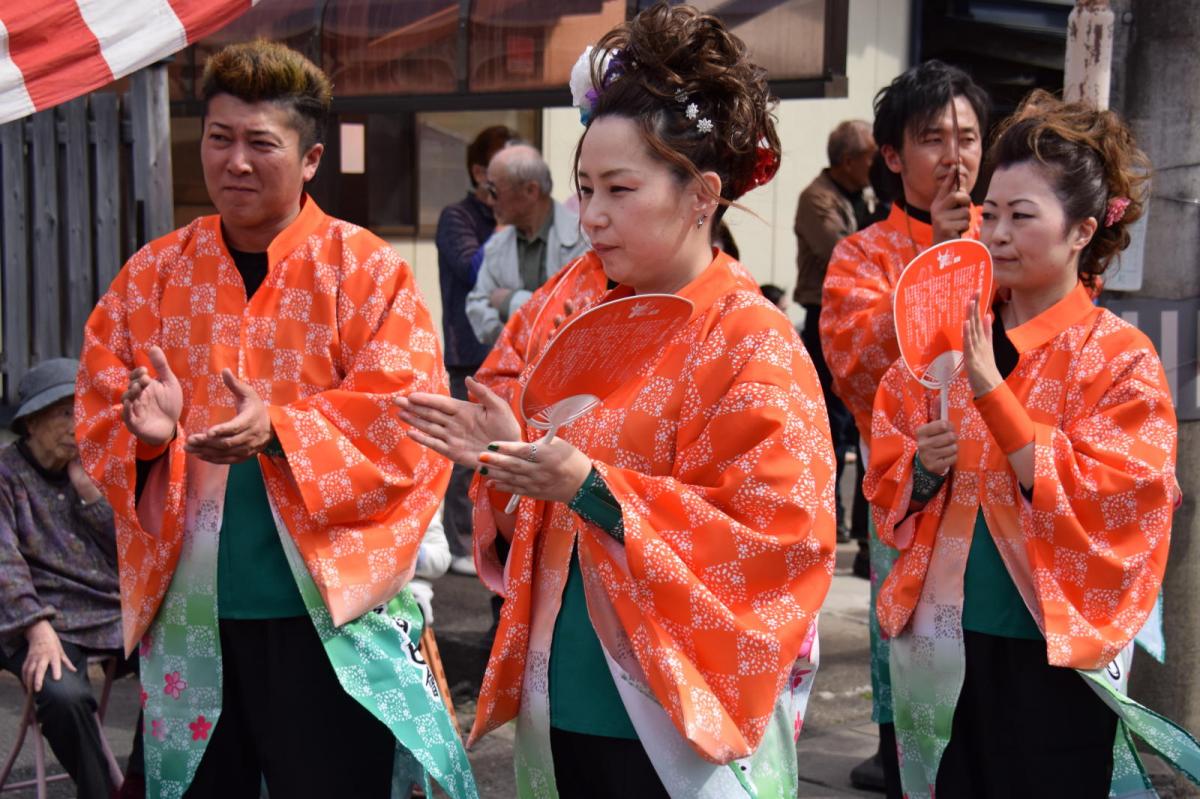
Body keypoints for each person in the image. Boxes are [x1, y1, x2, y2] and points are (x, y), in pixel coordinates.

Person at [397, 4, 836, 796]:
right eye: (586, 188)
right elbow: (532, 455)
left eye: (620, 189)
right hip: (564, 670)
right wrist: (504, 455)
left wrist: (592, 487)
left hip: (676, 699)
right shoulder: (573, 301)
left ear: (702, 194)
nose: (592, 214)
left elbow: (776, 538)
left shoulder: (753, 339)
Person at [74, 41, 472, 799]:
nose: (236, 162)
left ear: (311, 156)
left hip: (329, 620)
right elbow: (99, 407)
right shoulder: (152, 275)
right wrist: (148, 442)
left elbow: (408, 422)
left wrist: (283, 431)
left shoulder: (366, 271)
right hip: (194, 616)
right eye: (219, 139)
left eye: (262, 143)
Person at [866, 89, 1193, 798]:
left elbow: (1122, 499)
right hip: (938, 637)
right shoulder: (946, 338)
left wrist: (993, 394)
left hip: (1052, 651)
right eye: (991, 214)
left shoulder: (1120, 357)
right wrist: (922, 469)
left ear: (1081, 231)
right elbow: (889, 465)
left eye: (1022, 215)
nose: (997, 233)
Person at [818, 60, 989, 797]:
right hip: (912, 488)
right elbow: (856, 362)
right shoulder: (861, 255)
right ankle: (898, 761)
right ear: (892, 156)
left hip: (1001, 493)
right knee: (909, 646)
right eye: (933, 139)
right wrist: (934, 262)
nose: (956, 157)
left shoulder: (1012, 238)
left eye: (970, 138)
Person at [0, 359, 143, 799]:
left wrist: (89, 493)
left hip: (106, 610)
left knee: (179, 668)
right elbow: (3, 563)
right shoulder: (6, 476)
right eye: (64, 413)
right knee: (63, 697)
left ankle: (140, 785)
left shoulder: (94, 467)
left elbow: (130, 554)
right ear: (31, 424)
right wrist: (36, 628)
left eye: (81, 411)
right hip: (38, 619)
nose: (76, 424)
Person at [437, 125, 516, 577]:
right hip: (469, 351)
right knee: (464, 455)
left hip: (514, 351)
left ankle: (493, 538)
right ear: (479, 171)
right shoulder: (457, 217)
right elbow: (475, 268)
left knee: (504, 450)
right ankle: (459, 543)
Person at [794, 120, 876, 544]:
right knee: (828, 424)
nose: (876, 164)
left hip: (858, 315)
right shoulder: (816, 199)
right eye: (870, 157)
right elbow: (842, 253)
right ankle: (832, 515)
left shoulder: (862, 196)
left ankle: (853, 521)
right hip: (823, 315)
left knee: (852, 419)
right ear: (848, 160)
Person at [464, 144, 589, 346]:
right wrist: (518, 339)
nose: (489, 200)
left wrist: (509, 301)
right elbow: (476, 305)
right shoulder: (497, 245)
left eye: (494, 191)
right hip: (512, 370)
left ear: (530, 190)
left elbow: (577, 313)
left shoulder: (584, 238)